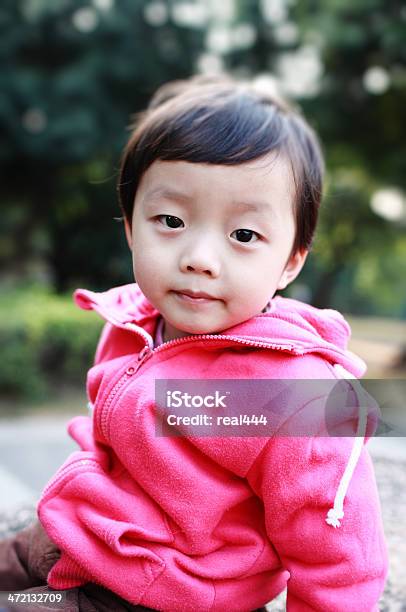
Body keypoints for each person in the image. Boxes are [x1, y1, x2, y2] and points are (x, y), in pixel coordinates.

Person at [0, 75, 388, 611]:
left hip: (151, 594)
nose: (199, 256)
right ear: (132, 226)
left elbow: (341, 561)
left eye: (244, 235)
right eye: (172, 220)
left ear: (292, 260)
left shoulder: (290, 396)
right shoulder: (138, 321)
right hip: (76, 537)